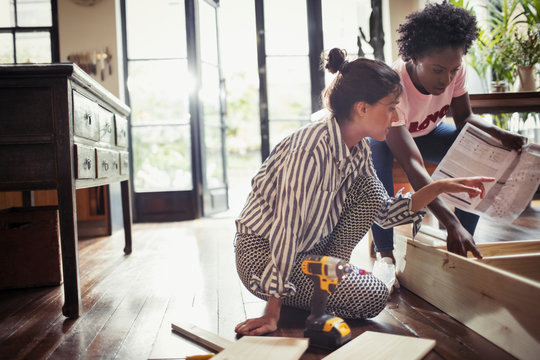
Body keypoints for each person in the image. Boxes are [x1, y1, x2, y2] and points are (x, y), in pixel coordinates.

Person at [234, 48, 494, 336]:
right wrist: (272, 311)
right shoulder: (309, 151)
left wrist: (439, 187)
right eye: (391, 107)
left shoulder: (358, 150)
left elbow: (382, 211)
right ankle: (290, 294)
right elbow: (287, 229)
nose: (396, 116)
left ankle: (323, 277)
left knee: (370, 192)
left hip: (310, 251)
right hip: (264, 254)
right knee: (372, 295)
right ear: (362, 108)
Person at [369, 1, 526, 262]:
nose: (446, 80)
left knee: (480, 150)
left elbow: (465, 118)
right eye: (438, 71)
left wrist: (499, 134)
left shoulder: (456, 69)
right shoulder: (393, 86)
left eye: (453, 70)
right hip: (387, 138)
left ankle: (465, 239)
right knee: (376, 167)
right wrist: (449, 222)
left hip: (429, 133)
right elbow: (412, 165)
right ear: (414, 58)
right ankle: (386, 252)